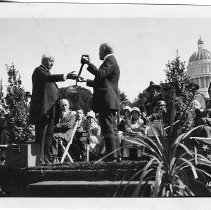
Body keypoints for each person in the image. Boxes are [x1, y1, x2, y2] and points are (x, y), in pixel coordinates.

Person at [30, 54, 78, 164]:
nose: (52, 63)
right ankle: (40, 159)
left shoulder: (46, 72)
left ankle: (46, 158)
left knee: (49, 135)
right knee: (42, 135)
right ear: (44, 60)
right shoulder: (39, 70)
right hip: (43, 110)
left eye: (53, 61)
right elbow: (48, 78)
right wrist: (66, 76)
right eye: (50, 61)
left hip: (50, 109)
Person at [79, 43, 121, 162]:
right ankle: (116, 156)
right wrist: (86, 81)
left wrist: (88, 64)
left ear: (104, 50)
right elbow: (102, 81)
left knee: (108, 128)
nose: (98, 53)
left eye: (99, 51)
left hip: (106, 102)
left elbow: (101, 74)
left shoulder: (110, 60)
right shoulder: (112, 61)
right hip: (110, 101)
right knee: (112, 129)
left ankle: (112, 157)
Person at [51, 99, 76, 163]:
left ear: (68, 106)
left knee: (54, 136)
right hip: (60, 134)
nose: (64, 107)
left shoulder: (72, 115)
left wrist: (58, 125)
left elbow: (69, 125)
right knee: (49, 135)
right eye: (62, 105)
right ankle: (49, 156)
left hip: (66, 135)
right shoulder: (59, 115)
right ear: (60, 107)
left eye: (65, 105)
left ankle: (54, 156)